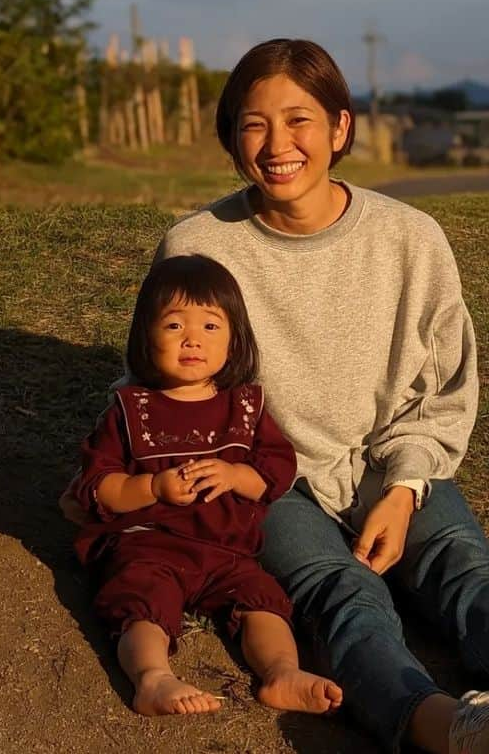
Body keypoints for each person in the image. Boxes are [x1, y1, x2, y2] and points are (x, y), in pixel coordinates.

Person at [150, 37, 489, 754]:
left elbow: (443, 386)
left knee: (464, 566)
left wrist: (405, 489)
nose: (278, 144)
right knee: (344, 596)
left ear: (341, 128)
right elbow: (163, 378)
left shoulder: (411, 239)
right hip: (268, 478)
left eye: (299, 120)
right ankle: (459, 730)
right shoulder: (198, 247)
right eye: (254, 124)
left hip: (388, 456)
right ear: (230, 138)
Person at [69, 252, 343, 719]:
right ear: (146, 336)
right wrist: (153, 488)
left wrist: (237, 475)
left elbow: (277, 471)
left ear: (234, 341)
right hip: (149, 545)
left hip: (228, 552)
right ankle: (152, 677)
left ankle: (281, 672)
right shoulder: (131, 410)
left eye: (211, 327)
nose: (192, 339)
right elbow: (98, 488)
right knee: (142, 602)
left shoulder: (246, 408)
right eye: (175, 326)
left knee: (263, 601)